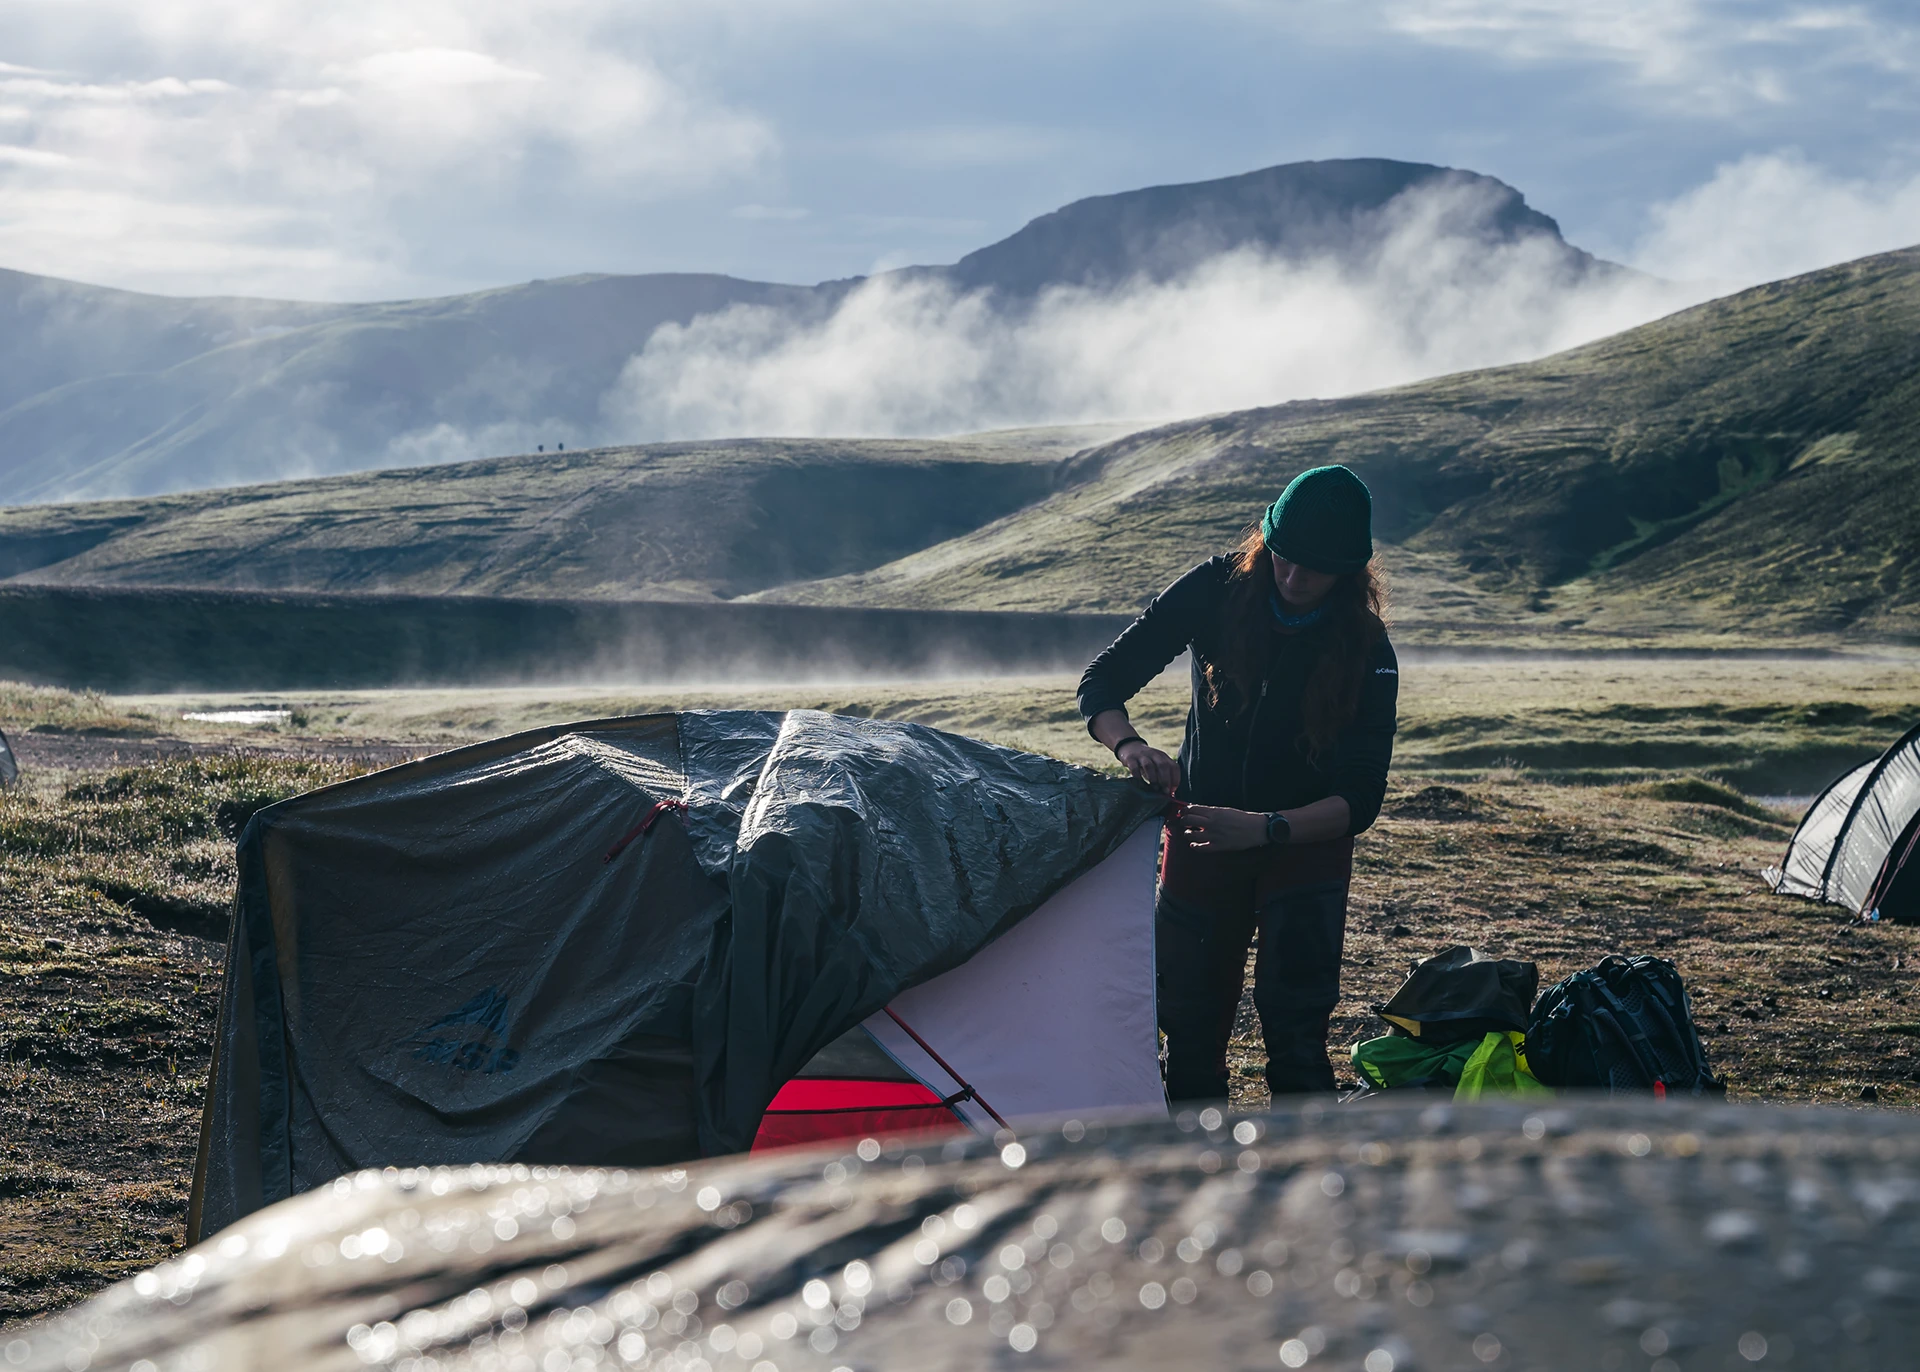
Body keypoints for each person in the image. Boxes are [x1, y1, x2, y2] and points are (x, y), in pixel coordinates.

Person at [1078, 465, 1398, 1101]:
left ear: (1348, 571)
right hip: (1202, 841)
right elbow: (1103, 682)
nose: (1292, 576)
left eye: (1314, 567)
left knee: (1297, 1030)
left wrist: (1266, 829)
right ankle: (1196, 1178)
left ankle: (1307, 1185)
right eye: (1282, 557)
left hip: (1305, 849)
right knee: (1189, 1027)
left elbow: (1360, 798)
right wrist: (1131, 747)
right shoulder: (1216, 587)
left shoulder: (1367, 646)